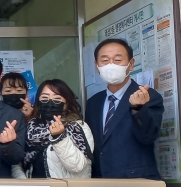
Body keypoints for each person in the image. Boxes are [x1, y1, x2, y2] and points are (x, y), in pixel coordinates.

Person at [85, 38, 164, 179]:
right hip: (101, 184)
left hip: (136, 182)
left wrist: (138, 109)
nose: (111, 65)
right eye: (105, 60)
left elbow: (148, 136)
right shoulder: (93, 103)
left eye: (117, 60)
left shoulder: (147, 96)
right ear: (97, 66)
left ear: (131, 64)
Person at [19, 80, 93, 179]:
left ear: (67, 103)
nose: (50, 102)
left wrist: (59, 137)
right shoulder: (31, 127)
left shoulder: (78, 127)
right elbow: (18, 163)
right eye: (44, 98)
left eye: (57, 98)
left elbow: (77, 166)